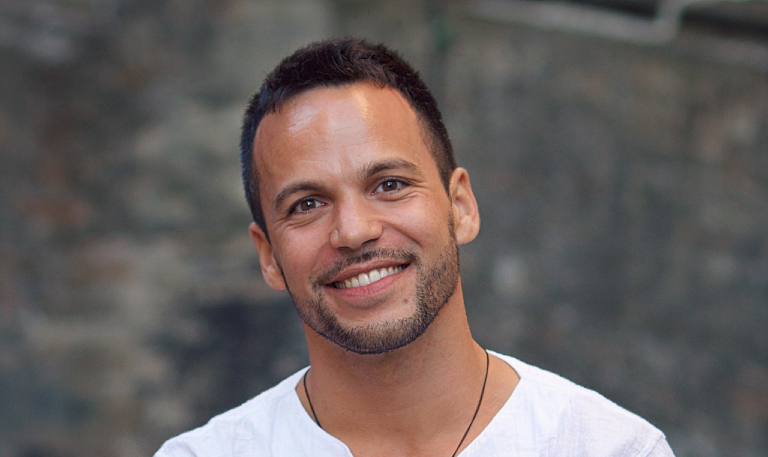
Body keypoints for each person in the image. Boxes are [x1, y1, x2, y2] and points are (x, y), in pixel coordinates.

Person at [155, 37, 674, 456]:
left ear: (460, 206)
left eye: (389, 184)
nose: (353, 231)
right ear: (268, 256)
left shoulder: (608, 448)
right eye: (307, 204)